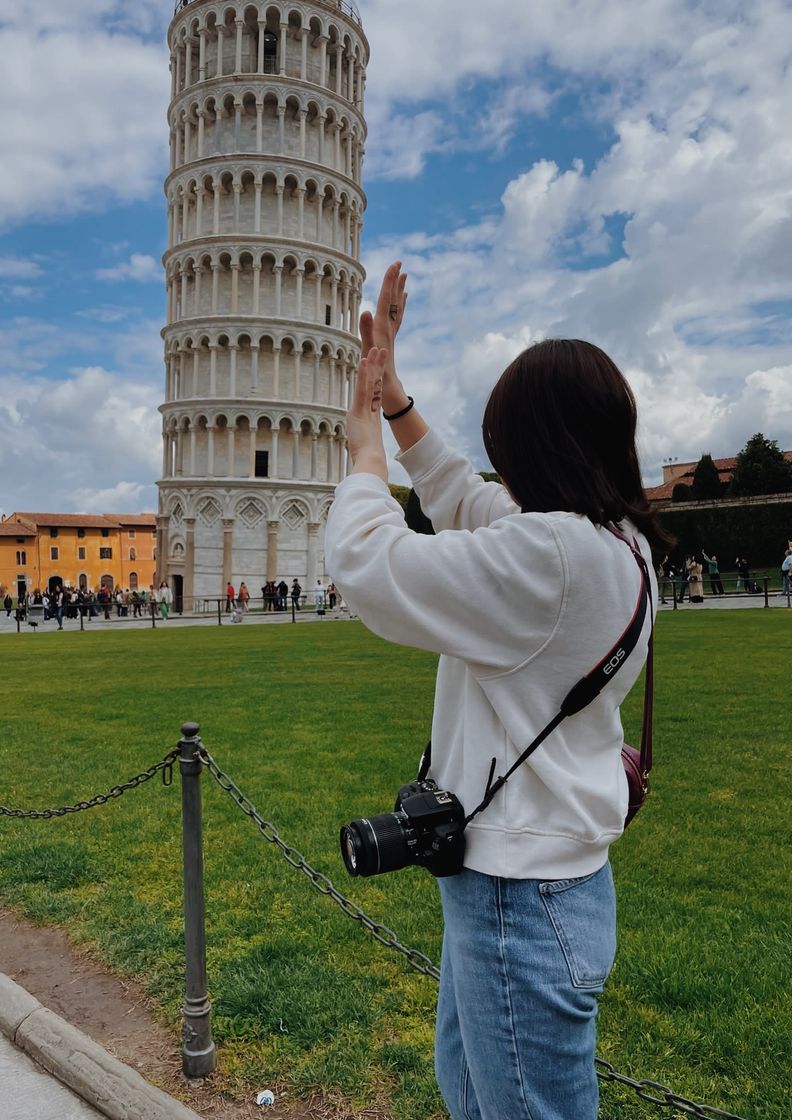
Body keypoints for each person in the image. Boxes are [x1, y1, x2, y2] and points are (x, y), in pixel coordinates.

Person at [325, 262, 670, 1120]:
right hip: (544, 885)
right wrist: (397, 402)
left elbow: (368, 564)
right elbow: (464, 502)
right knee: (481, 1101)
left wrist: (365, 452)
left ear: (536, 445)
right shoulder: (615, 544)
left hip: (519, 900)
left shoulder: (553, 558)